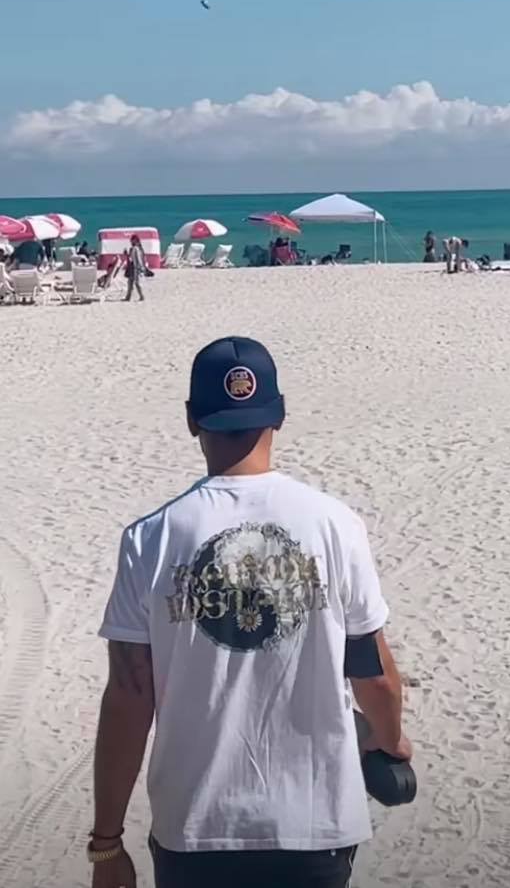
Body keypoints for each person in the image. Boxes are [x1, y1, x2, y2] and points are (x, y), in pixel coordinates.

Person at [90, 336, 409, 888]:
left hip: (196, 827)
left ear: (192, 420)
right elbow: (372, 672)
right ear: (278, 415)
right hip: (314, 824)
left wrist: (106, 842)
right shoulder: (335, 525)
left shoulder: (150, 538)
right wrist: (391, 735)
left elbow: (129, 696)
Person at [124, 235, 146, 302]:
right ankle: (128, 297)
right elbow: (132, 258)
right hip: (133, 267)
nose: (131, 241)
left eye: (132, 240)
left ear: (135, 240)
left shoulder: (136, 248)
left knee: (136, 283)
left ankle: (142, 296)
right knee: (130, 282)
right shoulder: (135, 248)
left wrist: (140, 267)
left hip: (136, 267)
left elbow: (138, 259)